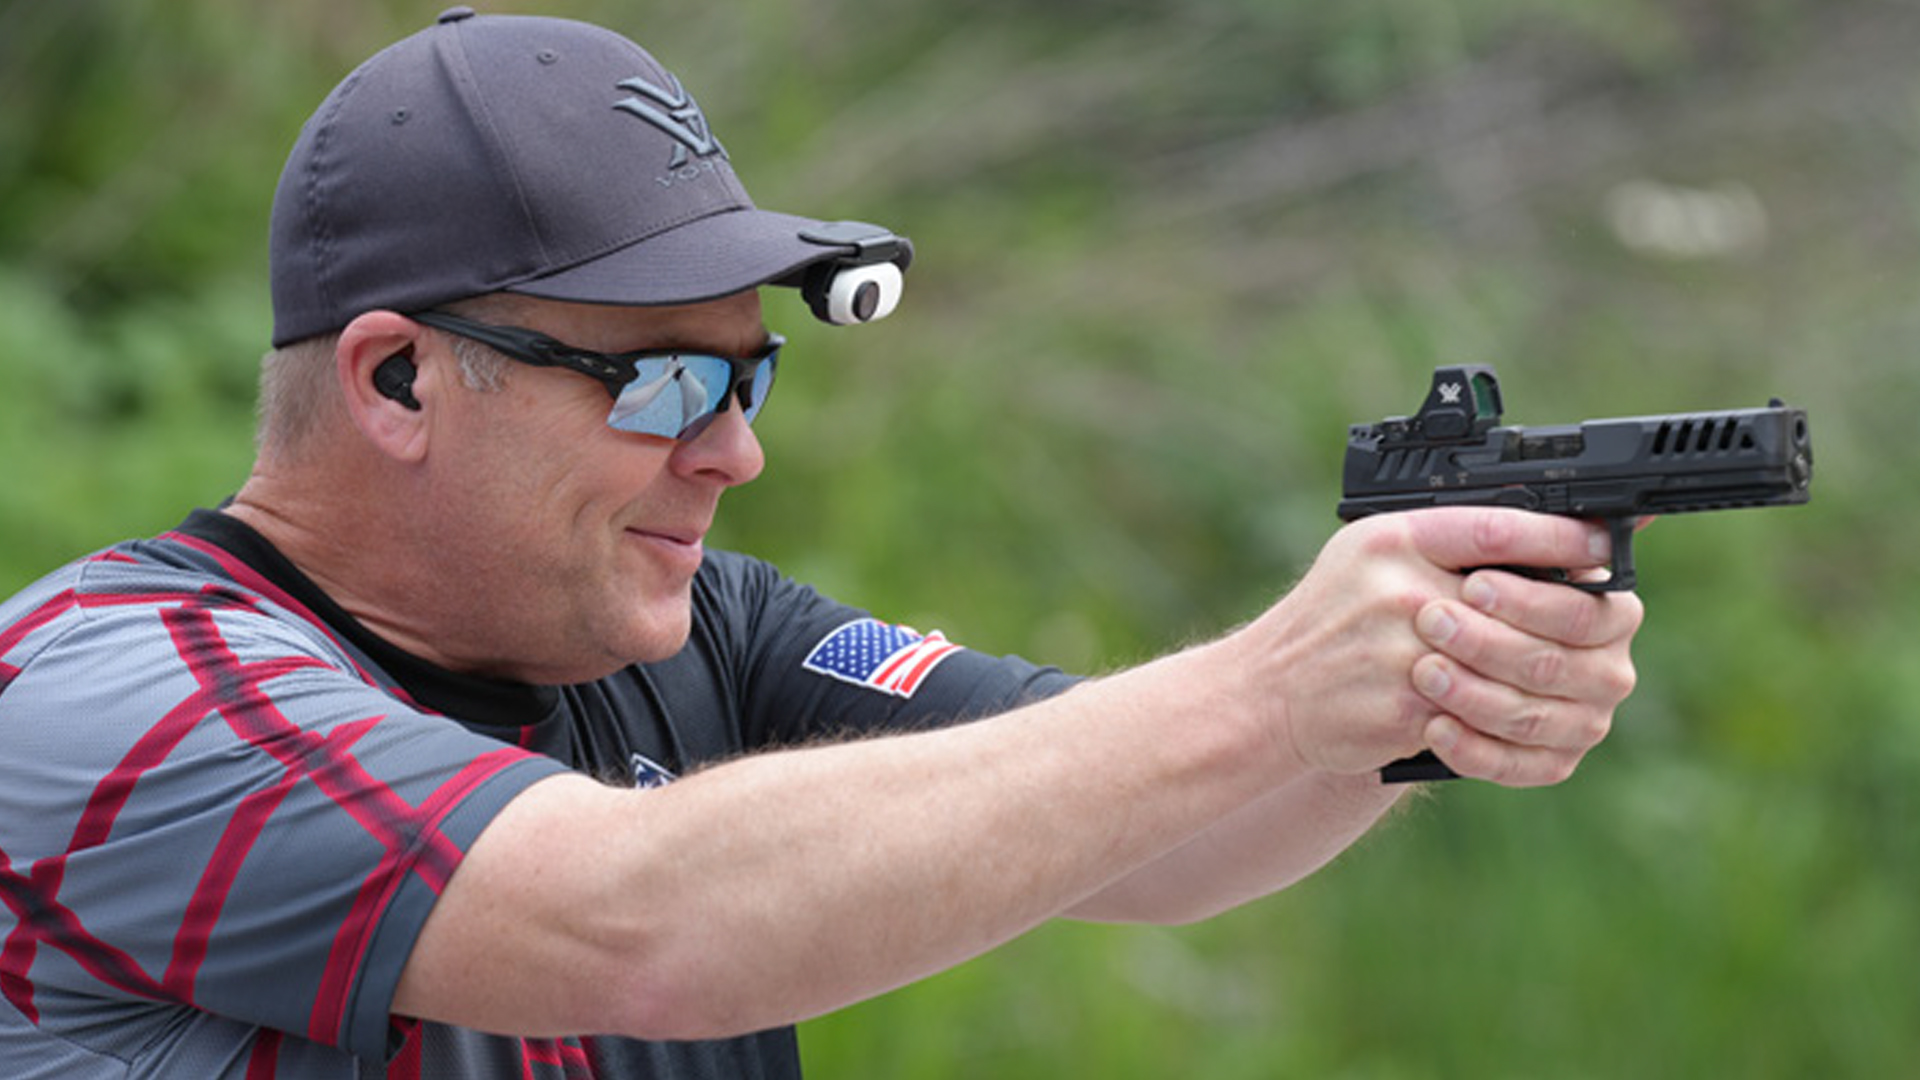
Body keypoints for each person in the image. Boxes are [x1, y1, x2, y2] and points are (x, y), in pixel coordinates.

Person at [0, 8, 1643, 1079]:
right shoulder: (117, 704)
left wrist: (1407, 698)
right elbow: (635, 924)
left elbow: (1147, 839)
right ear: (402, 379)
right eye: (663, 379)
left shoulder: (693, 627)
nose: (738, 448)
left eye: (753, 371)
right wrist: (1273, 689)